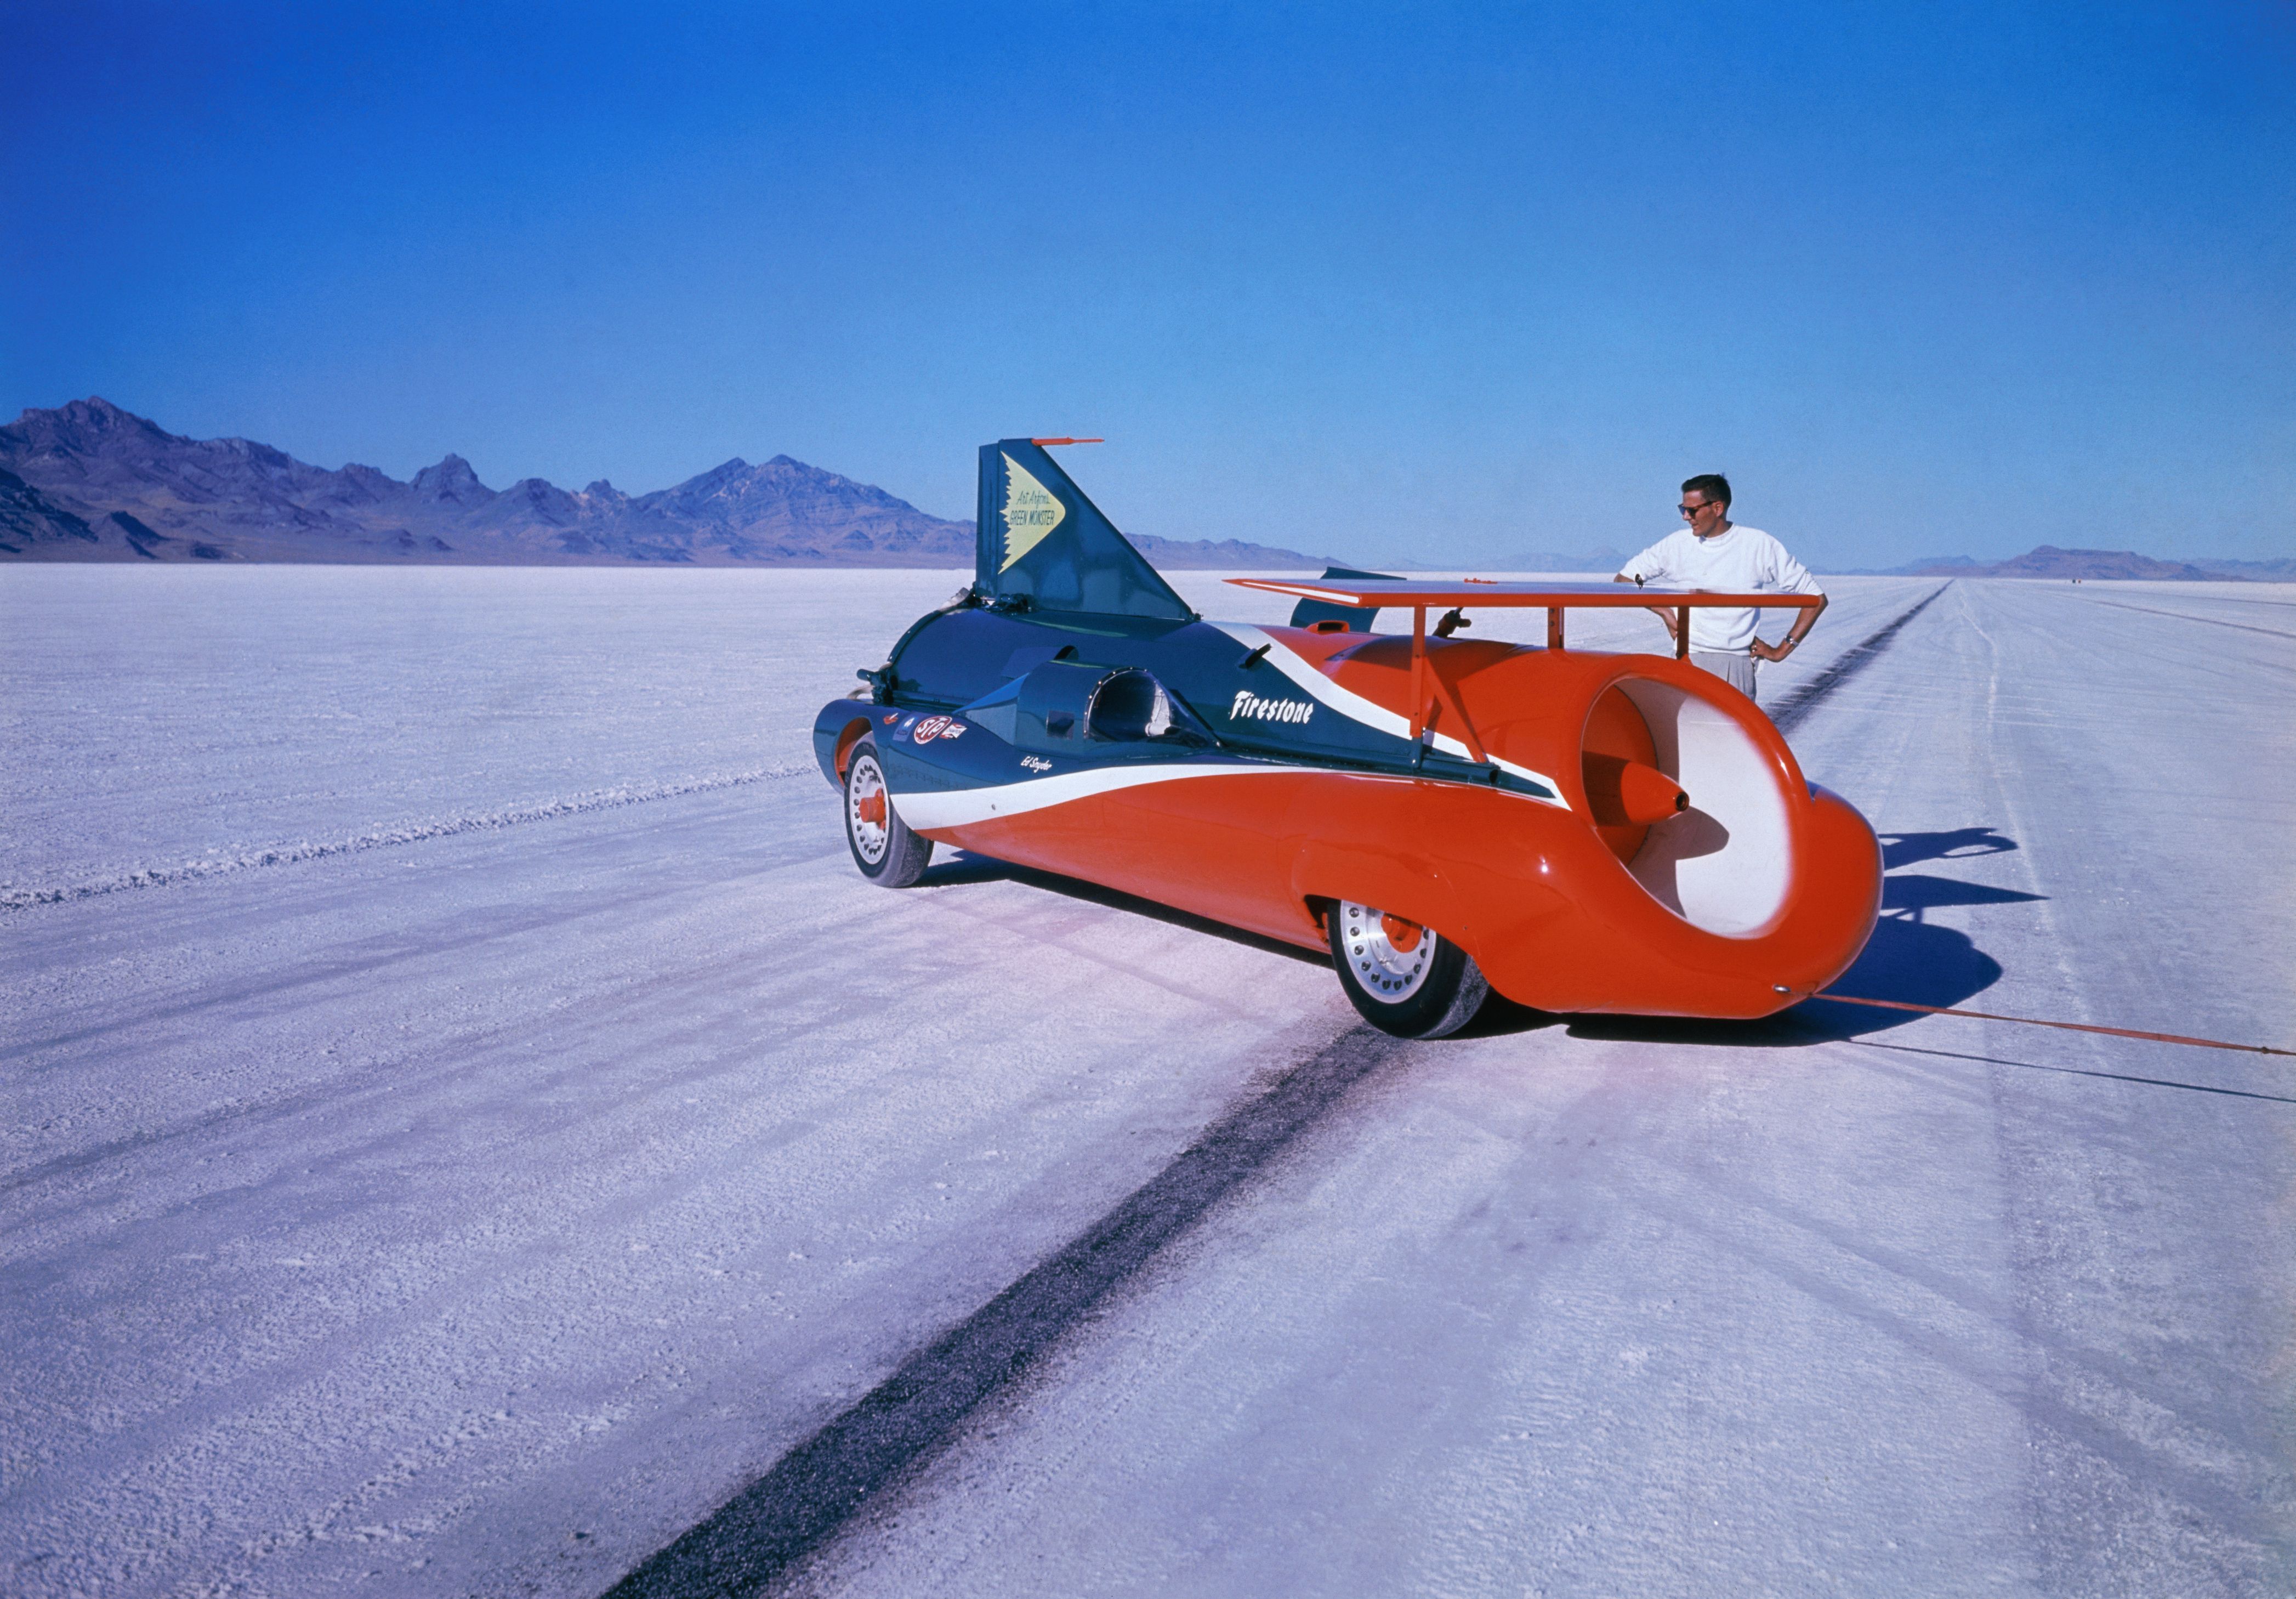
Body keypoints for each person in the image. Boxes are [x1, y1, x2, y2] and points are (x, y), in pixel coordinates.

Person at [1612, 474, 1826, 700]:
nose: (1686, 517)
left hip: (1735, 666)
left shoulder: (1757, 545)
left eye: (1692, 510)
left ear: (1718, 508)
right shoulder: (1677, 545)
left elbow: (1816, 598)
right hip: (1686, 660)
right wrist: (1664, 610)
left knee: (1731, 736)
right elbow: (1626, 579)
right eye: (1682, 509)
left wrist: (1782, 650)